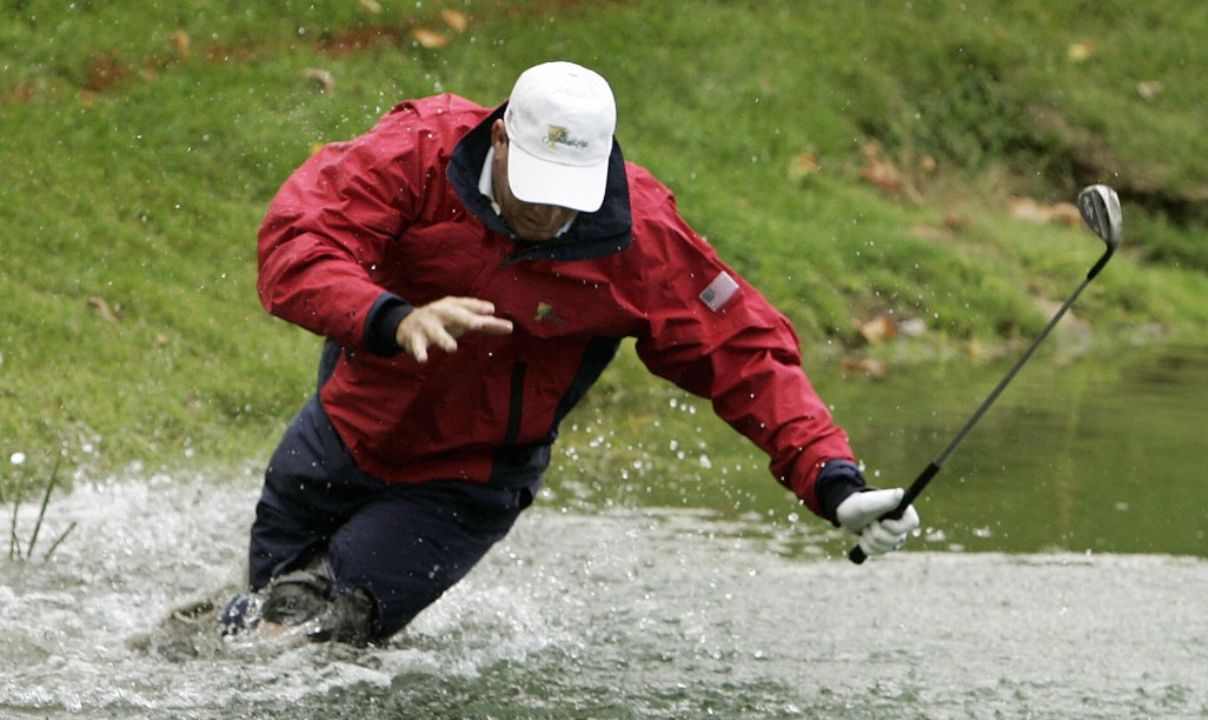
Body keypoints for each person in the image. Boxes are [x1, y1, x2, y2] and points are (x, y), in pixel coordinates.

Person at [223, 61, 920, 644]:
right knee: (252, 622)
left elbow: (744, 354)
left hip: (465, 483)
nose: (552, 216)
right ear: (498, 138)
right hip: (340, 432)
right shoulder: (418, 151)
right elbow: (298, 242)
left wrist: (833, 480)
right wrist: (390, 318)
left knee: (310, 628)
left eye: (569, 195)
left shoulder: (639, 233)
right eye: (537, 187)